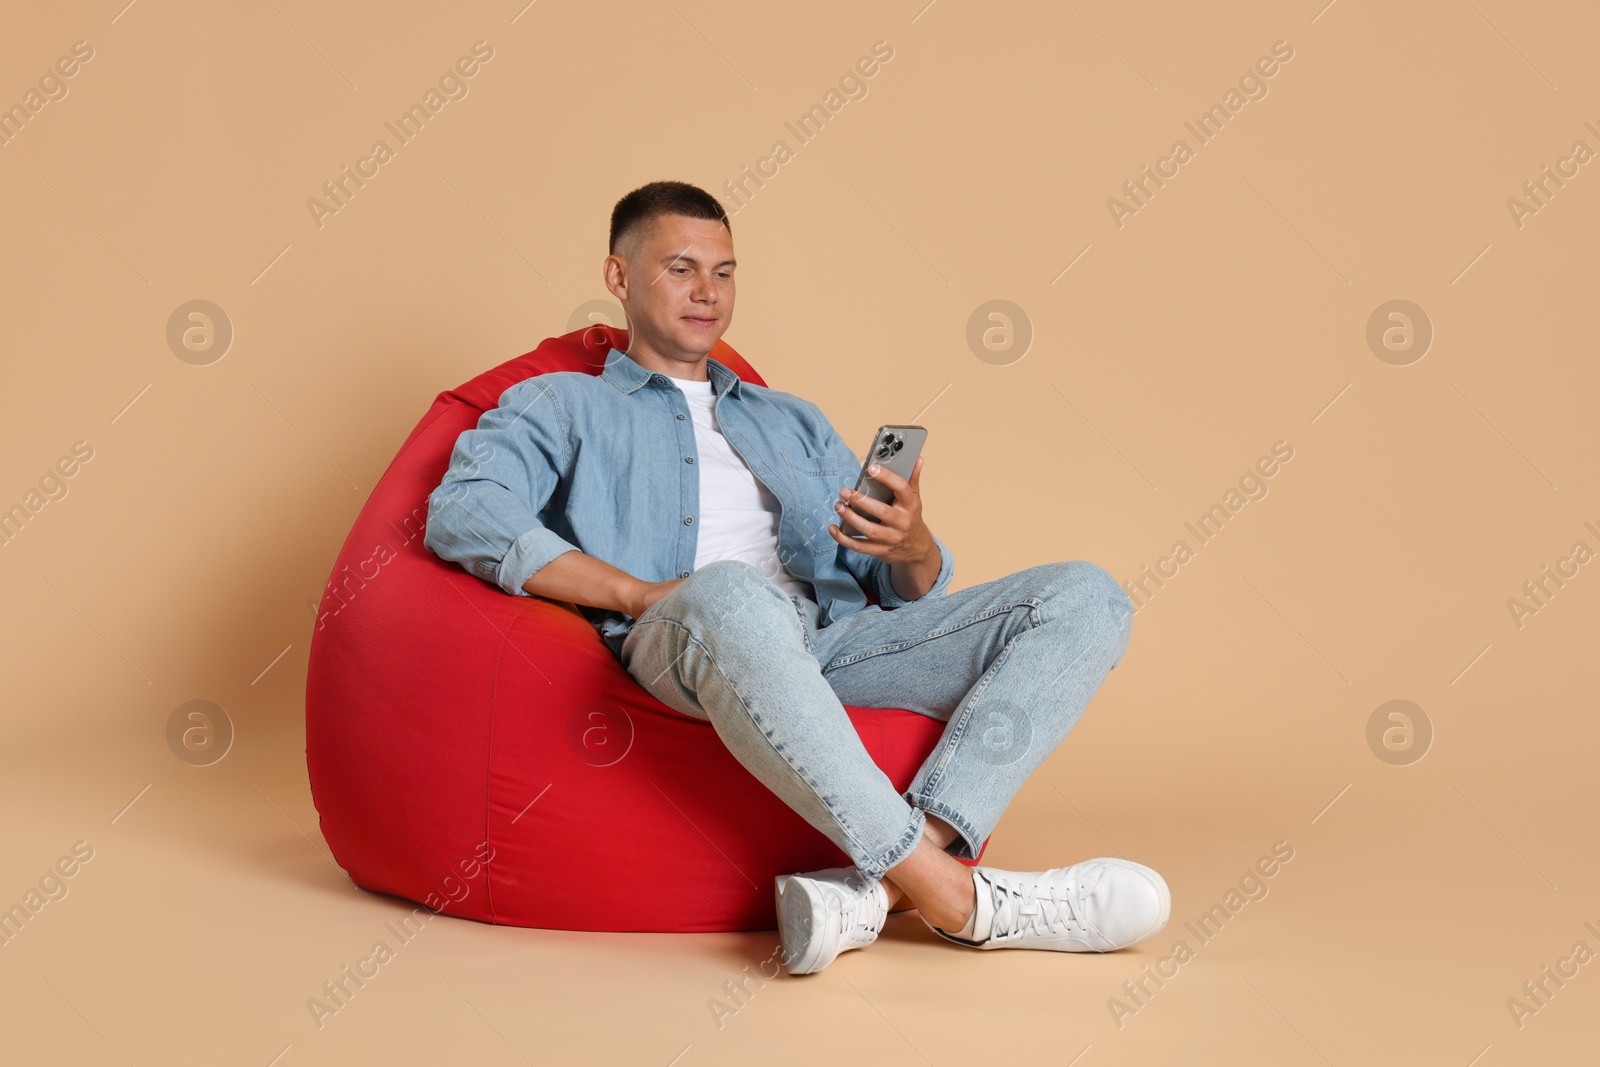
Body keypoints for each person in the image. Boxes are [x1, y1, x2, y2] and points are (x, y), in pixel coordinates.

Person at [423, 180, 1170, 975]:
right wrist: (637, 593)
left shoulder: (792, 420)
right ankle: (960, 901)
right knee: (732, 591)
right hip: (683, 632)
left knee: (1087, 594)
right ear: (618, 277)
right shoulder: (559, 404)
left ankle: (883, 888)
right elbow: (465, 512)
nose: (708, 292)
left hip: (830, 640)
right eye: (680, 268)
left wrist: (912, 543)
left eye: (725, 270)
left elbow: (901, 589)